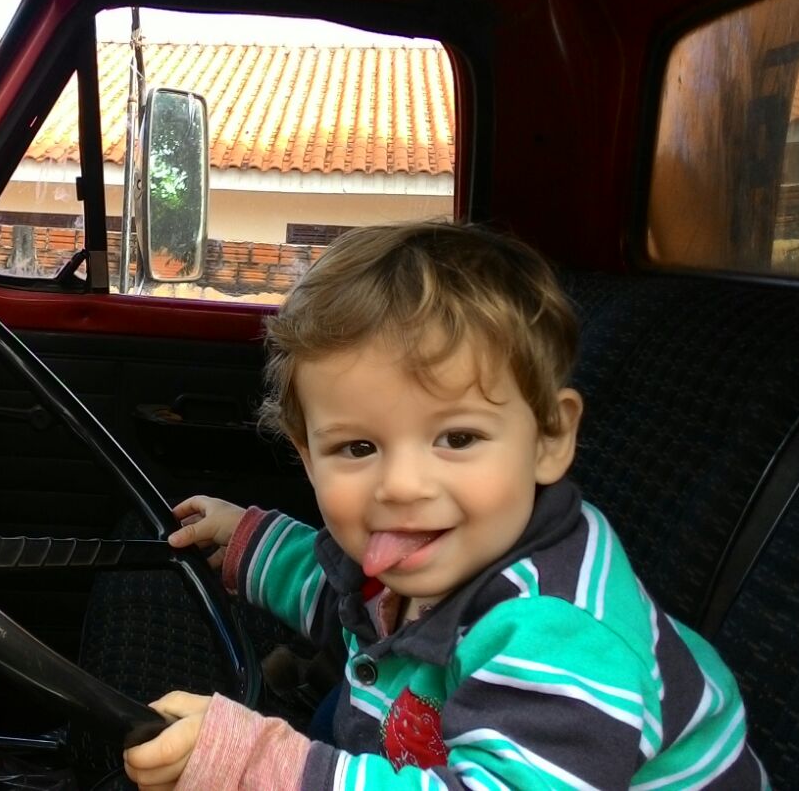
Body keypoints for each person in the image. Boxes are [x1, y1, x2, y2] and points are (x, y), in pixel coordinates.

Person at [123, 222, 766, 790]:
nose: (402, 487)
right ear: (308, 456)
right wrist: (247, 542)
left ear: (549, 438)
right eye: (358, 447)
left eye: (457, 439)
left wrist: (256, 766)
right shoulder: (440, 550)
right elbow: (345, 601)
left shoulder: (559, 635)